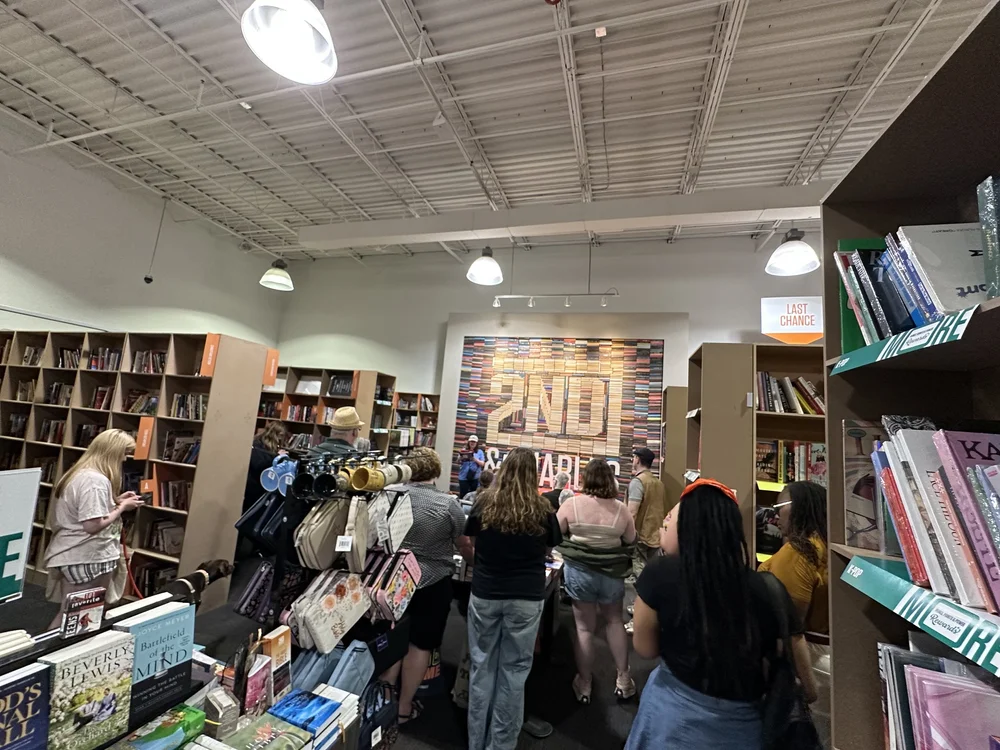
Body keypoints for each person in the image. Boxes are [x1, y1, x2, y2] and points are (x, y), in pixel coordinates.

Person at [626, 478, 813, 749]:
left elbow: (645, 648)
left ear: (688, 526)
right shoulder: (769, 589)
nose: (665, 522)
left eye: (671, 519)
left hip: (670, 720)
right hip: (744, 729)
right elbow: (807, 684)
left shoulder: (660, 574)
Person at [464, 447, 562, 750]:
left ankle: (476, 743)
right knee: (514, 673)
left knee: (482, 668)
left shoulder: (484, 502)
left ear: (504, 469)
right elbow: (549, 550)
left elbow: (473, 543)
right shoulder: (543, 508)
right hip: (526, 597)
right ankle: (501, 744)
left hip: (486, 593)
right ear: (534, 475)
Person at [382, 447, 472, 725]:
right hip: (432, 582)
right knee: (420, 645)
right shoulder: (448, 505)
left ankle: (383, 704)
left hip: (393, 579)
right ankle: (404, 707)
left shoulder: (390, 495)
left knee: (391, 639)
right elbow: (464, 545)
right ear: (436, 471)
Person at [43, 429, 144, 628]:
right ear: (112, 452)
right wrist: (122, 507)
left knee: (75, 613)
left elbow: (89, 512)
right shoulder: (96, 481)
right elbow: (93, 525)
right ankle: (50, 646)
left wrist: (115, 501)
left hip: (76, 553)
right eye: (124, 453)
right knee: (77, 614)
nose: (124, 459)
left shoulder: (80, 473)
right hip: (87, 554)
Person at [557, 458, 637, 703]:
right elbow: (631, 539)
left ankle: (585, 684)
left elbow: (555, 532)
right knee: (614, 621)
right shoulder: (621, 510)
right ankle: (624, 679)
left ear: (586, 478)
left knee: (584, 628)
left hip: (579, 573)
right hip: (611, 574)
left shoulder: (571, 504)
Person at [758, 481, 829, 633]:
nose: (775, 515)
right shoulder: (824, 545)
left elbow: (787, 626)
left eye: (779, 507)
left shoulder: (798, 552)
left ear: (800, 507)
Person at [627, 447, 669, 579]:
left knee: (640, 574)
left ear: (637, 460)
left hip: (641, 536)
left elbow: (632, 512)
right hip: (656, 535)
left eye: (634, 458)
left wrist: (628, 536)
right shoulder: (659, 483)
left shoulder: (638, 482)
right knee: (653, 573)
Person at [244, 421, 288, 513]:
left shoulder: (270, 446)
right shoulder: (257, 445)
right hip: (254, 488)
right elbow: (259, 465)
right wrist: (276, 457)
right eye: (280, 435)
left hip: (265, 486)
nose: (280, 439)